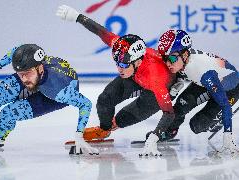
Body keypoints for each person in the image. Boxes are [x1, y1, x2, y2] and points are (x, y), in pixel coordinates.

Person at [56, 5, 184, 156]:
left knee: (121, 120)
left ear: (137, 62)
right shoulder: (123, 49)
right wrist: (77, 17)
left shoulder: (155, 79)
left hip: (160, 87)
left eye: (123, 65)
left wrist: (155, 136)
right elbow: (100, 31)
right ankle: (104, 130)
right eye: (117, 63)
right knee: (105, 99)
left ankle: (116, 125)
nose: (119, 69)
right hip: (137, 77)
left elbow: (169, 113)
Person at [0, 44, 98, 155]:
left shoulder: (59, 90)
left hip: (53, 95)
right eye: (20, 74)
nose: (24, 78)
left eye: (27, 73)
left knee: (9, 113)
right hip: (40, 78)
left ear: (40, 68)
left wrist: (79, 135)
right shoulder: (30, 62)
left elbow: (85, 104)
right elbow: (17, 50)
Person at [155, 29, 239, 154]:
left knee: (197, 126)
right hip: (204, 83)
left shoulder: (203, 72)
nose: (168, 63)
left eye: (171, 58)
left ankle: (217, 121)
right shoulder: (181, 60)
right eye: (165, 59)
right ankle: (170, 131)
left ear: (185, 55)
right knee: (179, 109)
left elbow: (224, 104)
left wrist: (227, 134)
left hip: (229, 90)